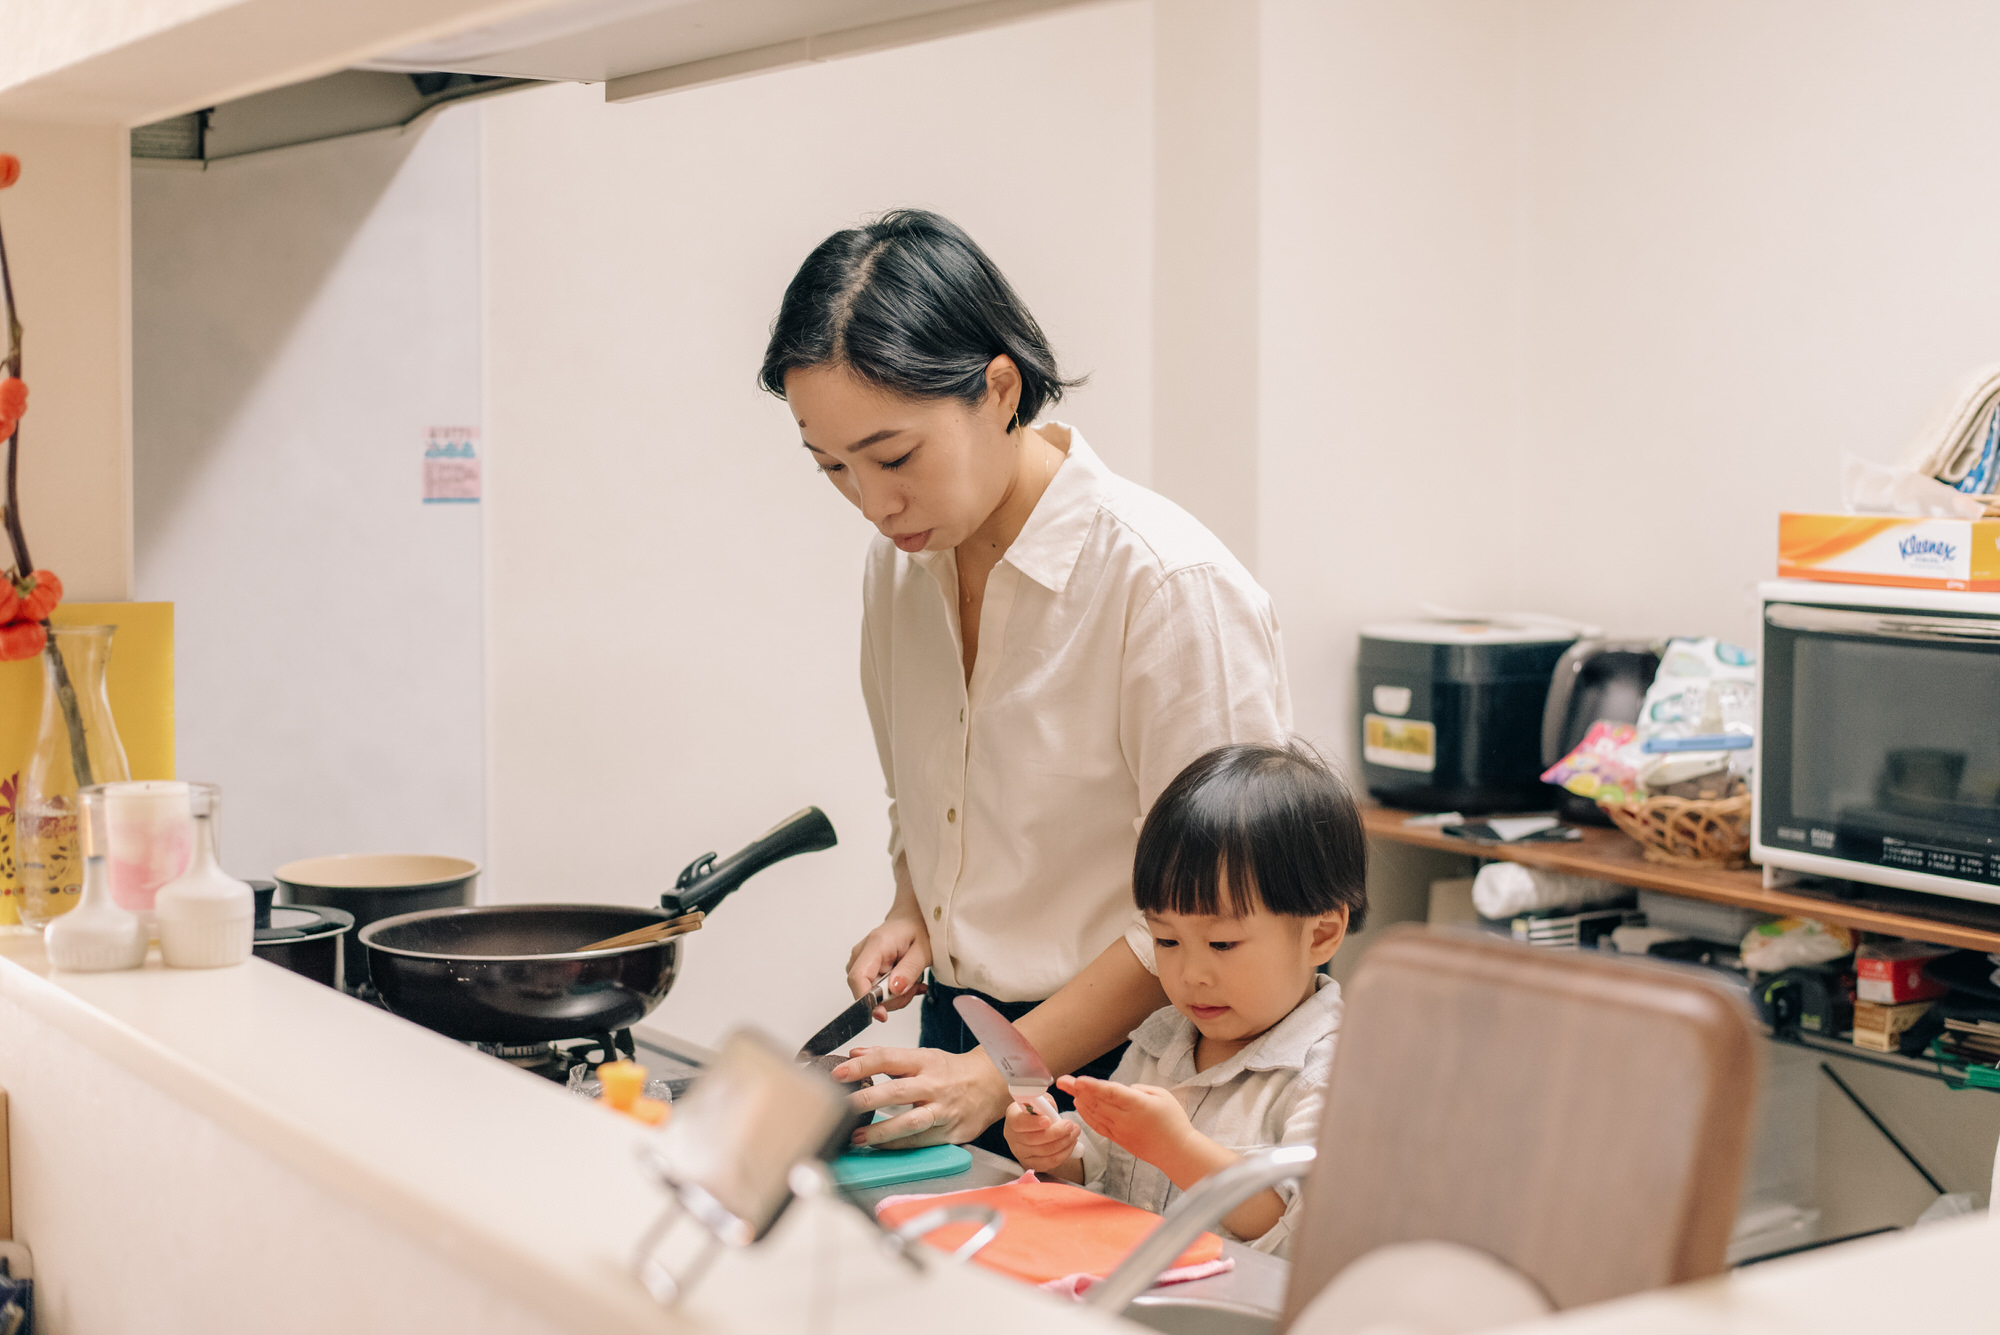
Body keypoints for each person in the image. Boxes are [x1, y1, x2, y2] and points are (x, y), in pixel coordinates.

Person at [758, 210, 1291, 1152]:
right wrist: (916, 910)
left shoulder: (1167, 586)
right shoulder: (900, 567)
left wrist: (1005, 1068)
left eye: (894, 457)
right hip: (963, 1038)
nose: (874, 503)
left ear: (999, 390)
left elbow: (1220, 906)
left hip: (1146, 1061)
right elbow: (930, 797)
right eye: (833, 467)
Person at [1001, 743, 1368, 1256]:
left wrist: (1178, 1149)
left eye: (1222, 944)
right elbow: (1106, 1163)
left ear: (1321, 935)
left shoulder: (1336, 1071)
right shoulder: (1162, 1040)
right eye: (1166, 941)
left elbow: (1298, 1229)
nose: (1190, 975)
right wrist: (1057, 1149)